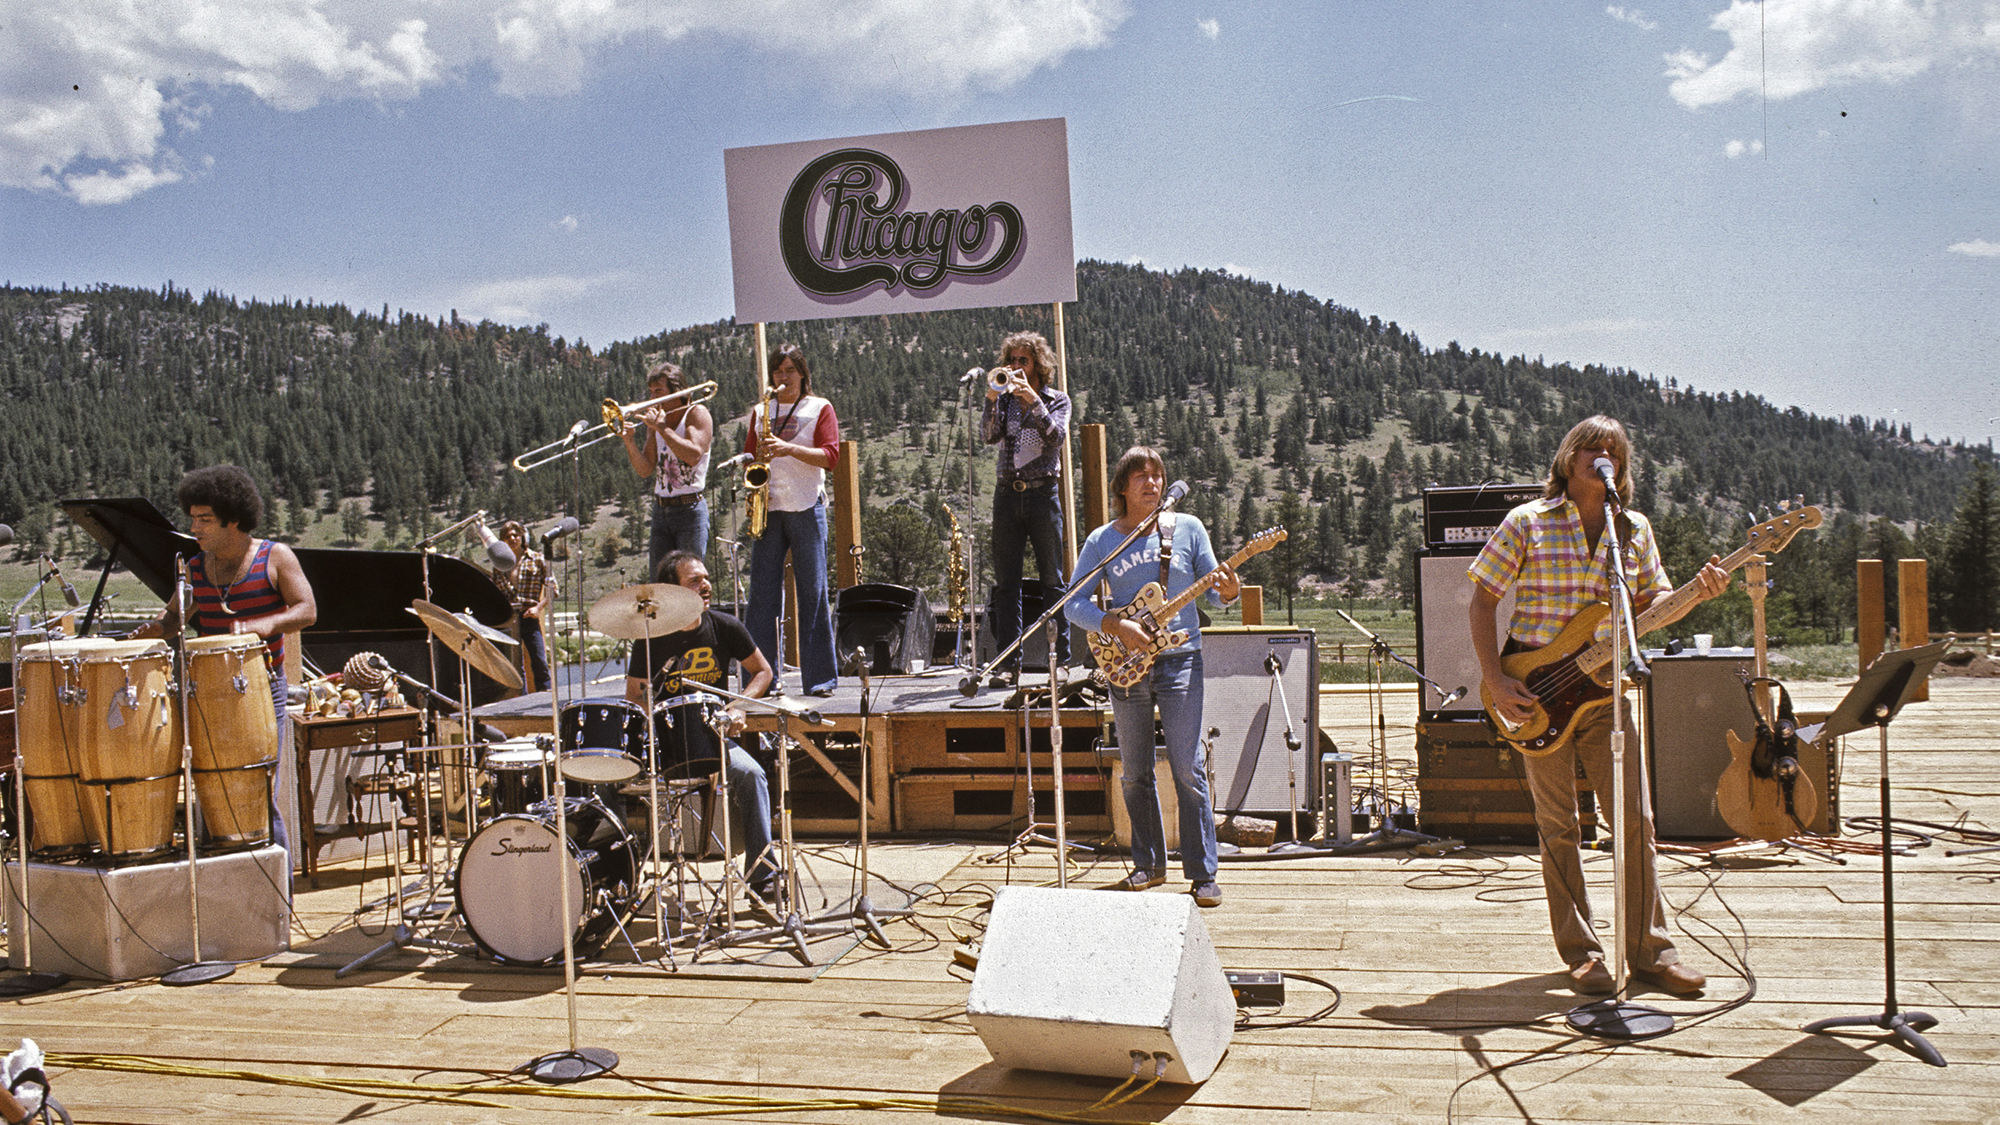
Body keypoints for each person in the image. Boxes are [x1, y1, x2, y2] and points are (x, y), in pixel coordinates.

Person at [1467, 414, 1729, 996]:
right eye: (1589, 446)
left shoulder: (1632, 529)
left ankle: (1651, 954)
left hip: (1607, 690)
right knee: (1559, 826)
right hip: (1535, 690)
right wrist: (1495, 678)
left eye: (1612, 449)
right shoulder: (1527, 523)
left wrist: (1695, 592)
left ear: (1623, 466)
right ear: (1567, 459)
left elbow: (1654, 603)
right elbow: (1482, 601)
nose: (1600, 454)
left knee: (1636, 820)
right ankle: (1582, 954)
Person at [1063, 447, 1237, 908]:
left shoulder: (1189, 530)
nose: (1152, 483)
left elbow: (1215, 595)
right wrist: (1115, 624)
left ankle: (1202, 874)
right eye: (1141, 476)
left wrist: (1229, 591)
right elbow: (1073, 603)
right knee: (1135, 771)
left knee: (1187, 766)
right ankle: (1149, 863)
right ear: (1122, 486)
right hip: (1124, 664)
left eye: (1158, 475)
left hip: (1182, 659)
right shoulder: (1103, 540)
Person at [134, 464, 317, 861]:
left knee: (258, 794)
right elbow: (173, 619)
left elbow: (307, 610)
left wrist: (261, 624)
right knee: (212, 791)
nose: (194, 527)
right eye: (193, 518)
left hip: (263, 691)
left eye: (205, 520)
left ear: (233, 520)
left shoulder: (275, 556)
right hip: (208, 694)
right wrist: (149, 631)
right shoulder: (196, 568)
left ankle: (277, 903)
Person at [626, 550, 778, 900]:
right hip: (665, 743)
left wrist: (738, 706)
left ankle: (762, 875)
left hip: (712, 737)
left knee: (752, 774)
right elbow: (635, 696)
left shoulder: (725, 626)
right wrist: (651, 716)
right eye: (695, 581)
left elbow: (763, 671)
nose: (706, 585)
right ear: (673, 591)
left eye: (706, 578)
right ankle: (622, 875)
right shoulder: (651, 637)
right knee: (608, 775)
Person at [744, 343, 841, 696]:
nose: (783, 378)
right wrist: (750, 475)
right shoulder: (761, 411)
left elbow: (831, 456)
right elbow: (749, 453)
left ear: (802, 373)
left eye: (789, 371)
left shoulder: (820, 408)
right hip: (769, 506)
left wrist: (788, 450)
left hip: (806, 504)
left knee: (812, 593)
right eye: (778, 371)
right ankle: (760, 679)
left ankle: (820, 680)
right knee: (762, 596)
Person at [982, 331, 1072, 684]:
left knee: (1053, 580)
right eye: (1012, 361)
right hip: (1007, 495)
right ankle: (1008, 663)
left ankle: (1060, 660)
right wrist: (991, 399)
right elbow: (988, 436)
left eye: (1024, 361)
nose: (1016, 367)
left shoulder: (1057, 400)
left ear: (1038, 365)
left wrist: (1033, 400)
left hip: (1042, 494)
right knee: (1007, 584)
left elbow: (1055, 439)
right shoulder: (1003, 402)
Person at [621, 360, 715, 578]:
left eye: (659, 391)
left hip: (689, 510)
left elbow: (693, 455)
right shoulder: (656, 424)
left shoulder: (696, 413)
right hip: (661, 510)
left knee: (689, 581)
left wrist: (661, 428)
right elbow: (645, 469)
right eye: (651, 392)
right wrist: (629, 442)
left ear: (677, 391)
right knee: (660, 584)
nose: (653, 398)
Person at [491, 520, 554, 693]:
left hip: (530, 617)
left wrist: (538, 609)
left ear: (522, 536)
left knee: (539, 662)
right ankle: (521, 701)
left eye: (515, 535)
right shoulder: (499, 565)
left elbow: (553, 590)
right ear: (502, 541)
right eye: (507, 536)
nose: (512, 538)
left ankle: (545, 701)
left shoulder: (537, 559)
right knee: (515, 666)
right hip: (509, 619)